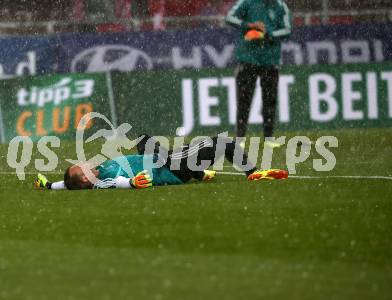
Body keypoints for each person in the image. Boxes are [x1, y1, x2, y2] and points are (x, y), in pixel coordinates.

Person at [35, 134, 288, 190]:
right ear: (86, 179)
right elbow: (120, 183)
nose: (84, 163)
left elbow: (66, 185)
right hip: (171, 166)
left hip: (167, 160)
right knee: (224, 143)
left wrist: (48, 185)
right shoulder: (103, 179)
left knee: (144, 138)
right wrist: (134, 183)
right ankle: (254, 173)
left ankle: (201, 174)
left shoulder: (83, 178)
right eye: (82, 168)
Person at [226, 0, 292, 147]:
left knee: (270, 100)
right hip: (247, 58)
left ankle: (268, 138)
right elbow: (230, 18)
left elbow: (287, 30)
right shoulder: (247, 2)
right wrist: (249, 26)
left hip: (270, 60)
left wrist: (267, 33)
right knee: (244, 99)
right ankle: (240, 138)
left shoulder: (280, 6)